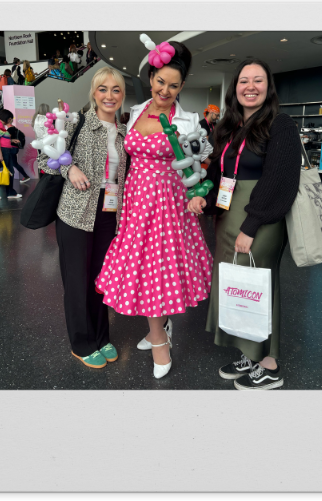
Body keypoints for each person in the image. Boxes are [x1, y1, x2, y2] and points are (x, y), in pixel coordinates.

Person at [95, 39, 214, 379]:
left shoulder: (190, 121)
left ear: (182, 86)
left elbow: (199, 162)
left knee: (159, 269)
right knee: (144, 266)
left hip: (169, 204)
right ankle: (156, 330)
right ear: (151, 78)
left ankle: (160, 340)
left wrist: (197, 192)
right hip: (136, 203)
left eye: (173, 85)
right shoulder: (136, 112)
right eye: (160, 82)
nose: (165, 90)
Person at [188, 58, 301, 390]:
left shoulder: (281, 125)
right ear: (234, 88)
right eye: (243, 81)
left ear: (269, 87)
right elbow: (219, 174)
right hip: (227, 216)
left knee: (259, 283)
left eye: (258, 80)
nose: (250, 86)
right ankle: (250, 354)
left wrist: (251, 226)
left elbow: (278, 180)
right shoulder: (228, 126)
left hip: (260, 218)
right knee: (237, 285)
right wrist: (204, 199)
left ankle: (270, 363)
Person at [39, 67, 129, 369]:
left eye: (115, 90)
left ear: (122, 96)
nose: (109, 96)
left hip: (108, 213)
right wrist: (69, 169)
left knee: (100, 281)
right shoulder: (76, 123)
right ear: (93, 92)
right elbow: (44, 156)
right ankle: (81, 342)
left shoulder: (123, 133)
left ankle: (102, 337)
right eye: (103, 89)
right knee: (77, 280)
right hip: (75, 213)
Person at [0, 109, 23, 200]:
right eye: (10, 119)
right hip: (3, 151)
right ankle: (7, 193)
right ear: (6, 118)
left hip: (5, 151)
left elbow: (1, 139)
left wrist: (12, 140)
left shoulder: (0, 125)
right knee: (7, 172)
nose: (10, 121)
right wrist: (0, 154)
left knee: (4, 172)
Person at [32, 103, 50, 179]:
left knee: (40, 160)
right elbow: (47, 133)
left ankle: (41, 176)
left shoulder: (35, 119)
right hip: (46, 142)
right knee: (47, 161)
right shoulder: (45, 119)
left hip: (38, 142)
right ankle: (46, 177)